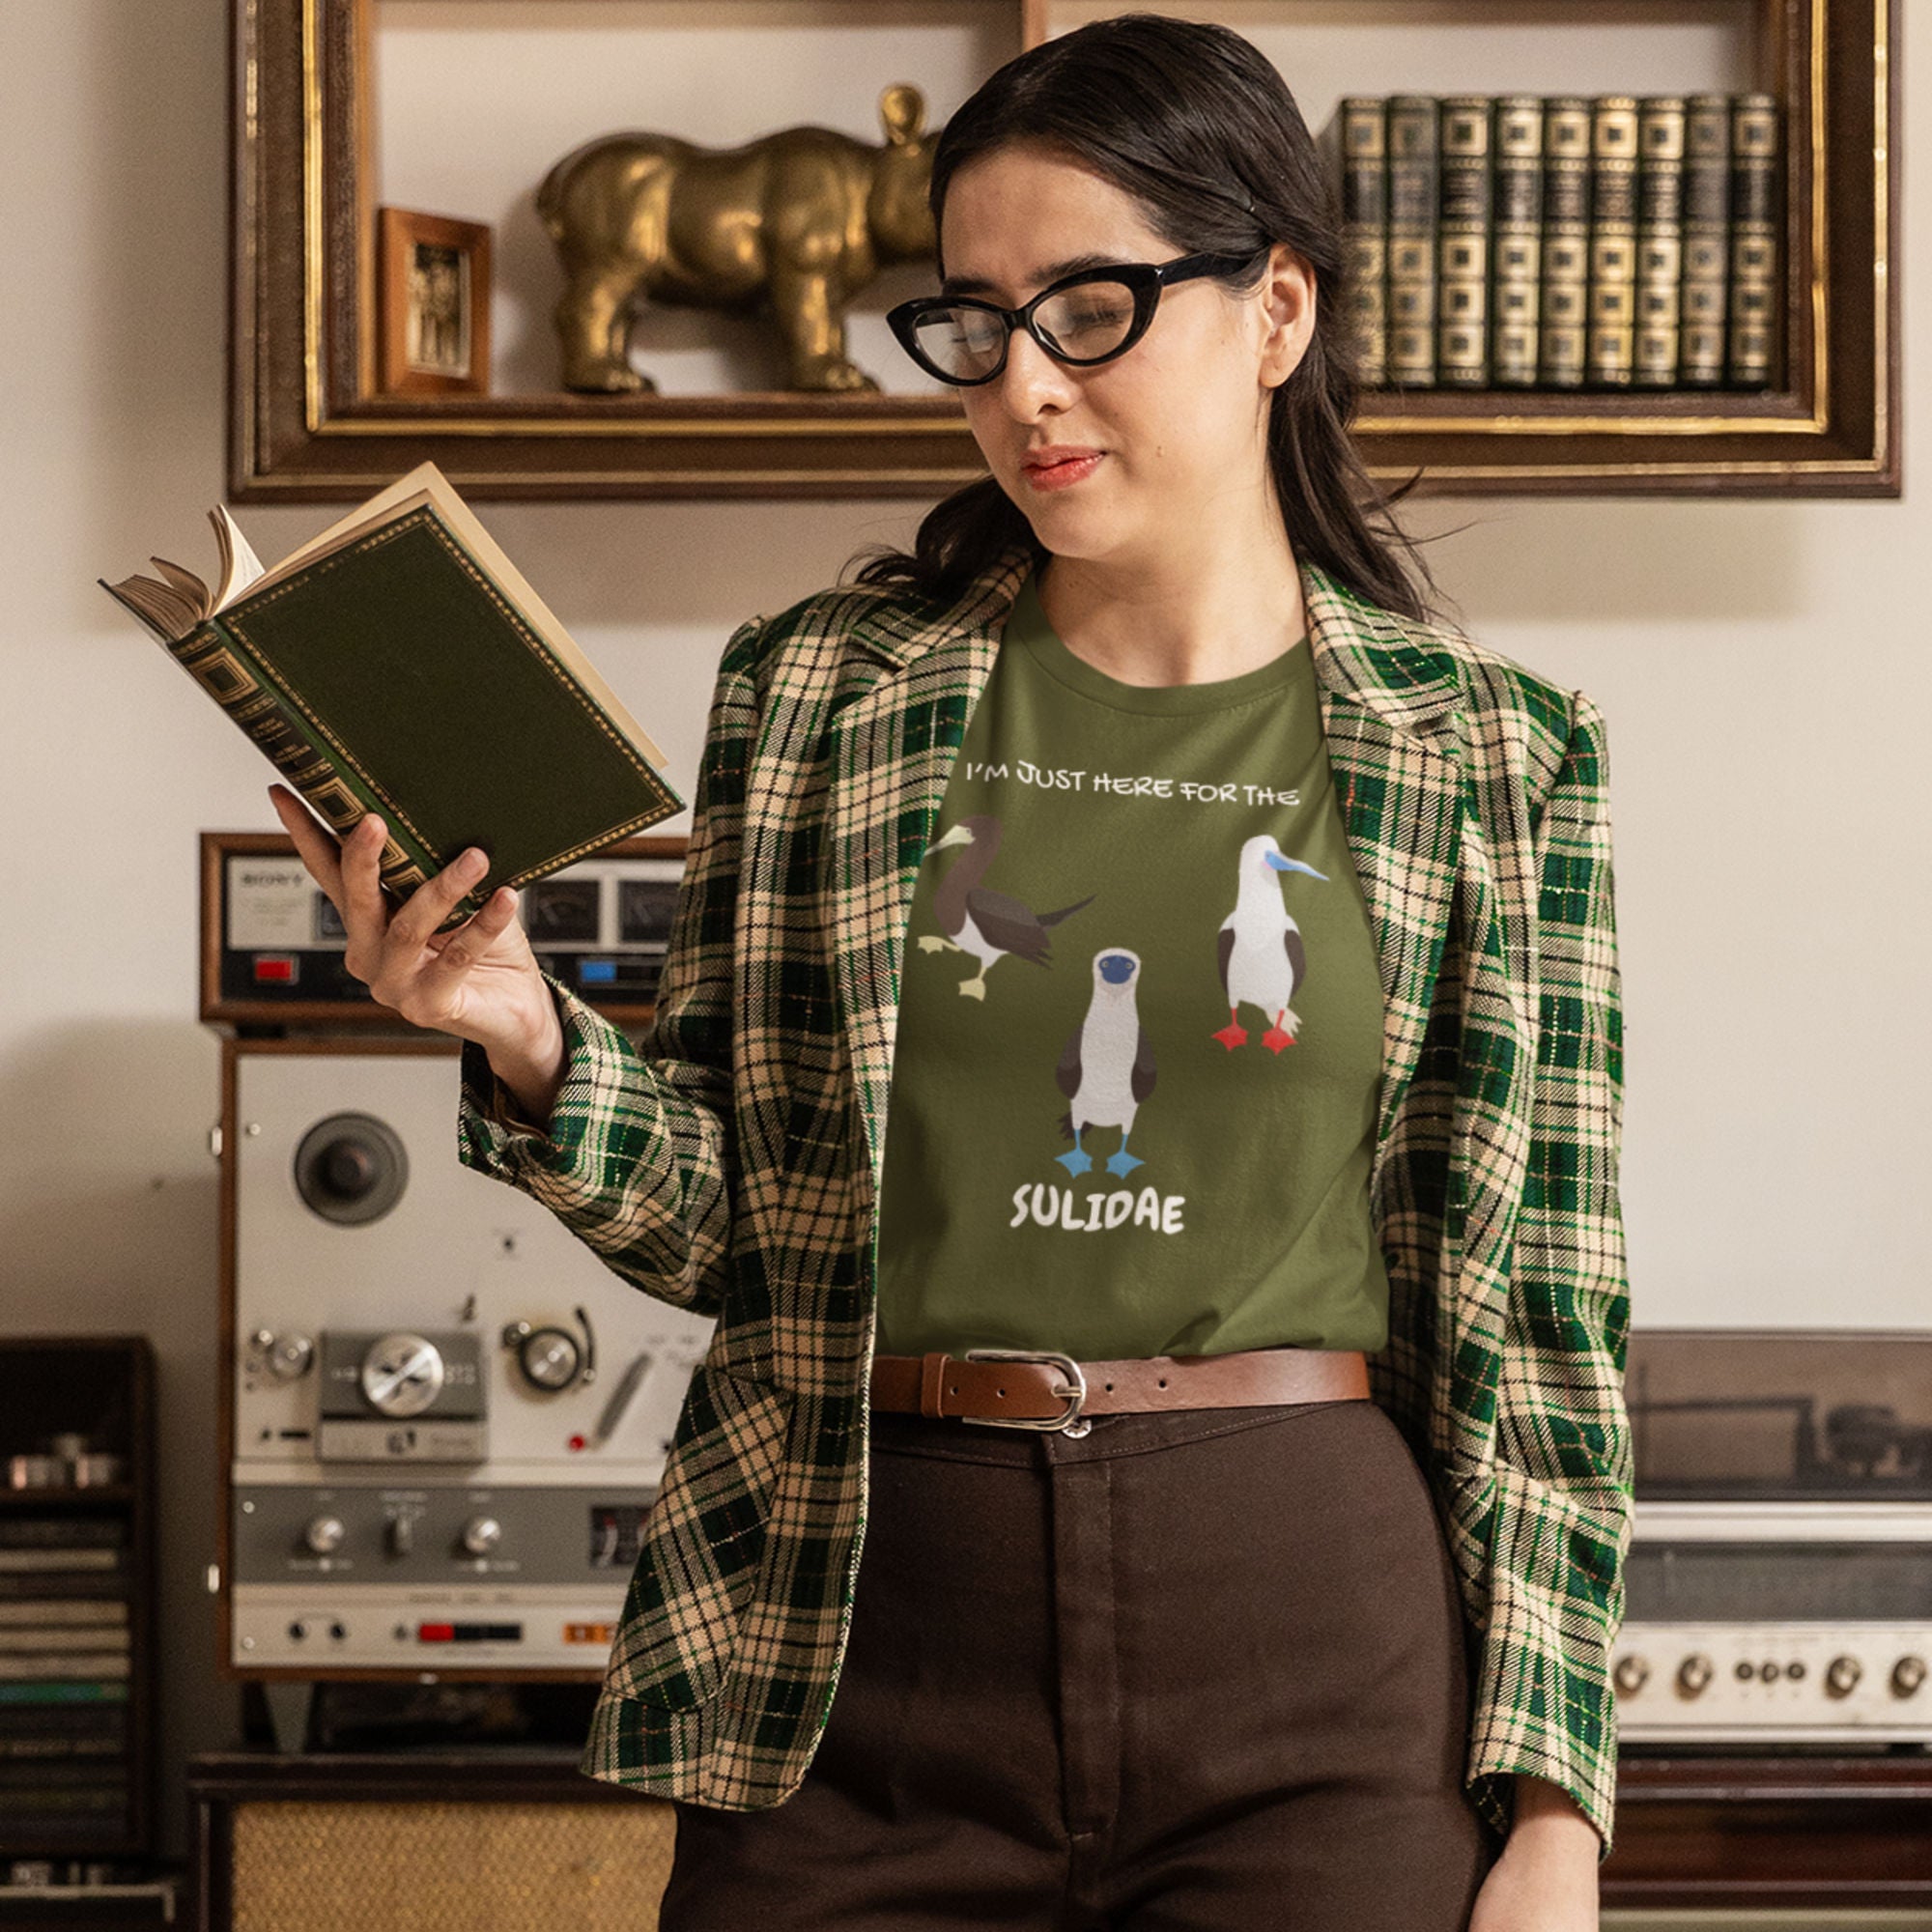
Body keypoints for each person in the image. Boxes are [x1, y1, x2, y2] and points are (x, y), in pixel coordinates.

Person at [270, 14, 1632, 1928]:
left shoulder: (1489, 751)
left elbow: (1541, 1323)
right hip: (865, 1650)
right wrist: (518, 1033)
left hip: (1320, 1674)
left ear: (1277, 307)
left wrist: (1555, 1813)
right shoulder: (822, 691)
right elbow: (742, 1223)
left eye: (1088, 306)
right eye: (974, 323)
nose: (1021, 387)